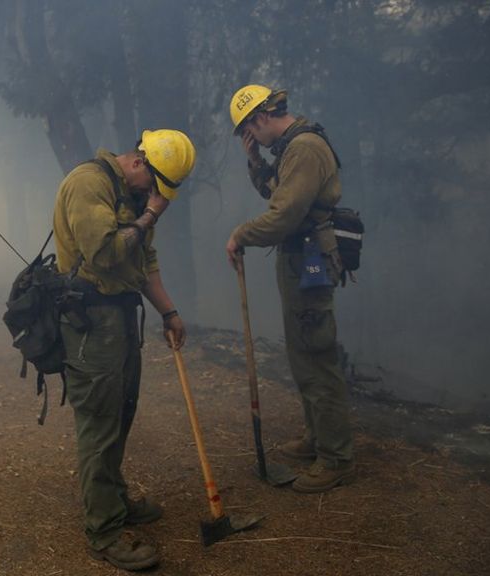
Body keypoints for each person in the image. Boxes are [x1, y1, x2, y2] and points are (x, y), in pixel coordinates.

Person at [52, 129, 195, 571]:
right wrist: (149, 216)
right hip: (90, 321)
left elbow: (143, 262)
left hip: (119, 315)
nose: (154, 197)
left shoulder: (129, 197)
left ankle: (113, 497)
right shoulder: (87, 183)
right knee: (99, 419)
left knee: (121, 412)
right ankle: (105, 528)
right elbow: (105, 254)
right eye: (154, 186)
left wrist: (169, 312)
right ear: (138, 163)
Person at [224, 85, 355, 493]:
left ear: (260, 118)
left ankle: (335, 457)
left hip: (310, 260)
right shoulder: (289, 150)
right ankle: (318, 438)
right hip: (301, 260)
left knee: (316, 354)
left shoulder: (303, 149)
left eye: (250, 130)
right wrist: (254, 160)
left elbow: (284, 215)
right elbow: (277, 193)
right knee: (303, 351)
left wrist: (241, 235)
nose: (252, 137)